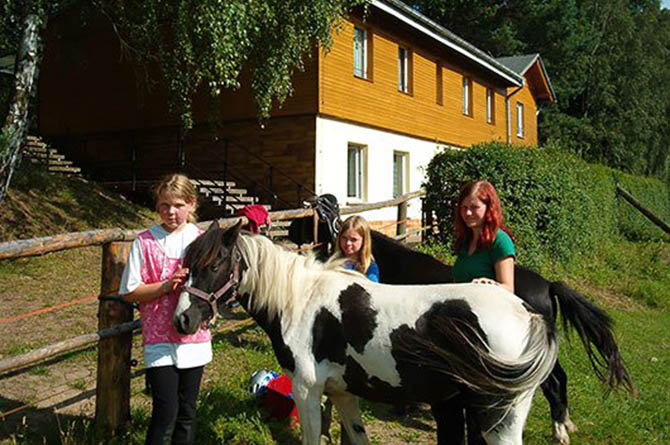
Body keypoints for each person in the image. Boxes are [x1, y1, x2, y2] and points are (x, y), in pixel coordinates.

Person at [119, 173, 211, 445]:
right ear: (157, 207)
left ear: (192, 204)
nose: (171, 212)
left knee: (187, 412)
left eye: (178, 205)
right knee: (165, 411)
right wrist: (164, 287)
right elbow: (129, 291)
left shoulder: (202, 240)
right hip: (159, 339)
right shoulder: (145, 242)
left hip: (194, 338)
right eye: (164, 205)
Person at [433, 179, 516, 445]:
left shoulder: (500, 242)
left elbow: (508, 289)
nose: (468, 213)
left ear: (489, 207)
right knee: (446, 403)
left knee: (478, 410)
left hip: (483, 335)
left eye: (475, 207)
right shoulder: (465, 241)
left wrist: (490, 284)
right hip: (459, 329)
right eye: (464, 208)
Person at [334, 215, 379, 282]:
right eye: (344, 238)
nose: (348, 243)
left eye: (354, 239)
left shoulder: (369, 268)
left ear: (364, 241)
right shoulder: (333, 264)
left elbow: (372, 290)